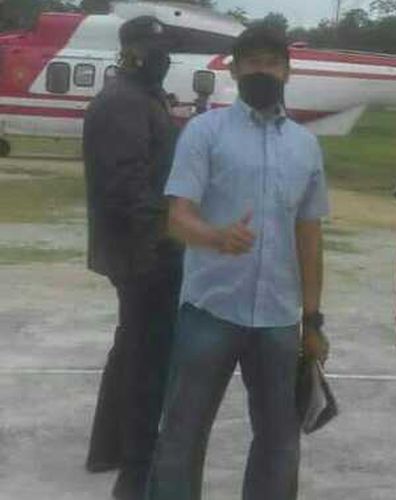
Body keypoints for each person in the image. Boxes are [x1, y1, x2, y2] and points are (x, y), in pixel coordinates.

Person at [146, 27, 330, 500]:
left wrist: (312, 319)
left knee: (279, 442)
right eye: (250, 62)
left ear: (287, 70)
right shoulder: (204, 133)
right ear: (233, 69)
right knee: (182, 436)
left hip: (278, 319)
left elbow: (309, 237)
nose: (261, 70)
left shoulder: (305, 146)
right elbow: (177, 218)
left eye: (271, 61)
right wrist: (215, 237)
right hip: (210, 311)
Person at [83, 15, 183, 500]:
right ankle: (132, 455)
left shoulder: (142, 97)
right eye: (151, 49)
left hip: (143, 246)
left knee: (133, 346)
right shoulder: (124, 101)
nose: (160, 58)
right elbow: (127, 187)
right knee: (147, 353)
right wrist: (161, 243)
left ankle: (111, 445)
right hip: (142, 250)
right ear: (130, 50)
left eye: (163, 50)